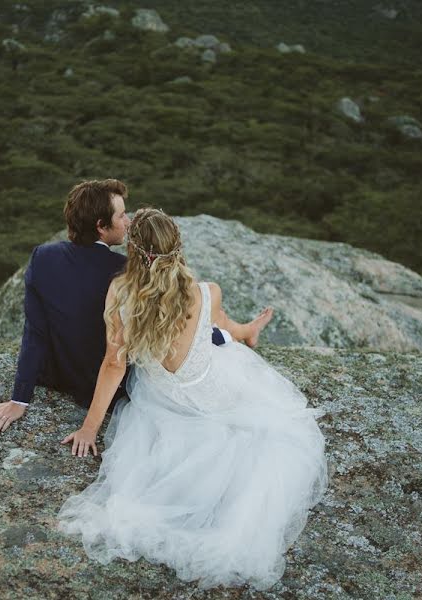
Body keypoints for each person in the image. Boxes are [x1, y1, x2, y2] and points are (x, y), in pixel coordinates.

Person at [57, 208, 328, 591]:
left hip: (164, 401)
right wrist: (245, 331)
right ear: (178, 249)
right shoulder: (206, 292)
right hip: (215, 391)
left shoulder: (121, 293)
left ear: (134, 251)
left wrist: (90, 427)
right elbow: (221, 324)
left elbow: (113, 365)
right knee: (239, 373)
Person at [0, 181, 271, 434]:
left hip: (61, 377)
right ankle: (239, 332)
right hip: (121, 385)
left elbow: (35, 333)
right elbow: (124, 355)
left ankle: (241, 331)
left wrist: (20, 400)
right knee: (203, 323)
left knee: (205, 320)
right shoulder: (130, 278)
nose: (128, 221)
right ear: (101, 226)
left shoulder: (43, 257)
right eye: (121, 215)